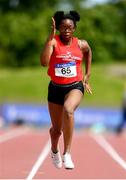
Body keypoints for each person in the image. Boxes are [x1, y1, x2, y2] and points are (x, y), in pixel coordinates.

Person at [40, 10, 92, 169]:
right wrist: (50, 36)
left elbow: (89, 52)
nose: (66, 31)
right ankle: (54, 150)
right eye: (63, 27)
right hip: (55, 88)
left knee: (69, 110)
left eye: (69, 28)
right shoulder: (54, 42)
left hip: (74, 86)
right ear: (58, 28)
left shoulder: (81, 44)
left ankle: (67, 153)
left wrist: (87, 75)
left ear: (74, 28)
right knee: (56, 131)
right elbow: (43, 62)